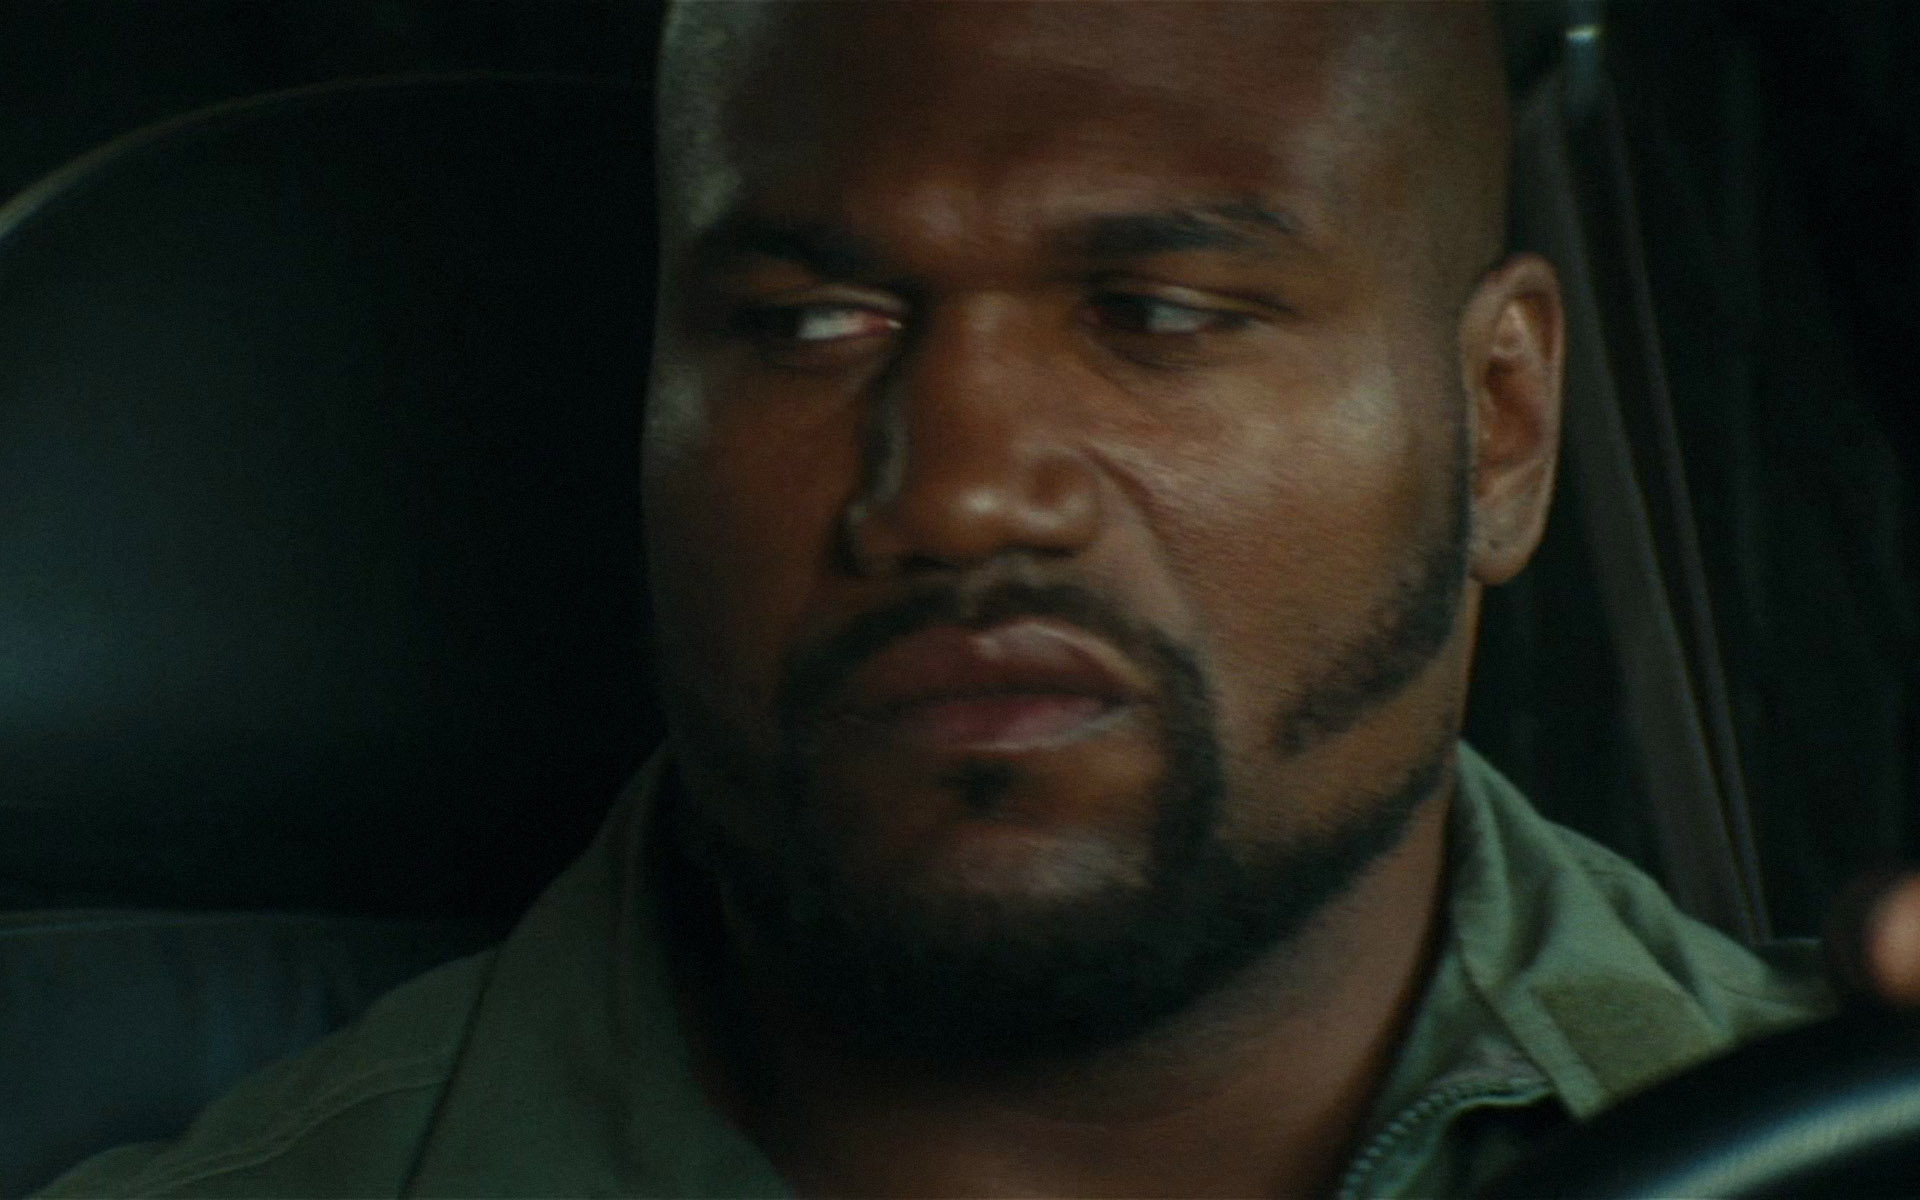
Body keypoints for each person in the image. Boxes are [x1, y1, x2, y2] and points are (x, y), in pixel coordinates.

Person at [38, 3, 1920, 1196]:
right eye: (809, 326)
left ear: (1500, 425)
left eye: (1157, 315)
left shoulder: (1853, 1145)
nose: (953, 490)